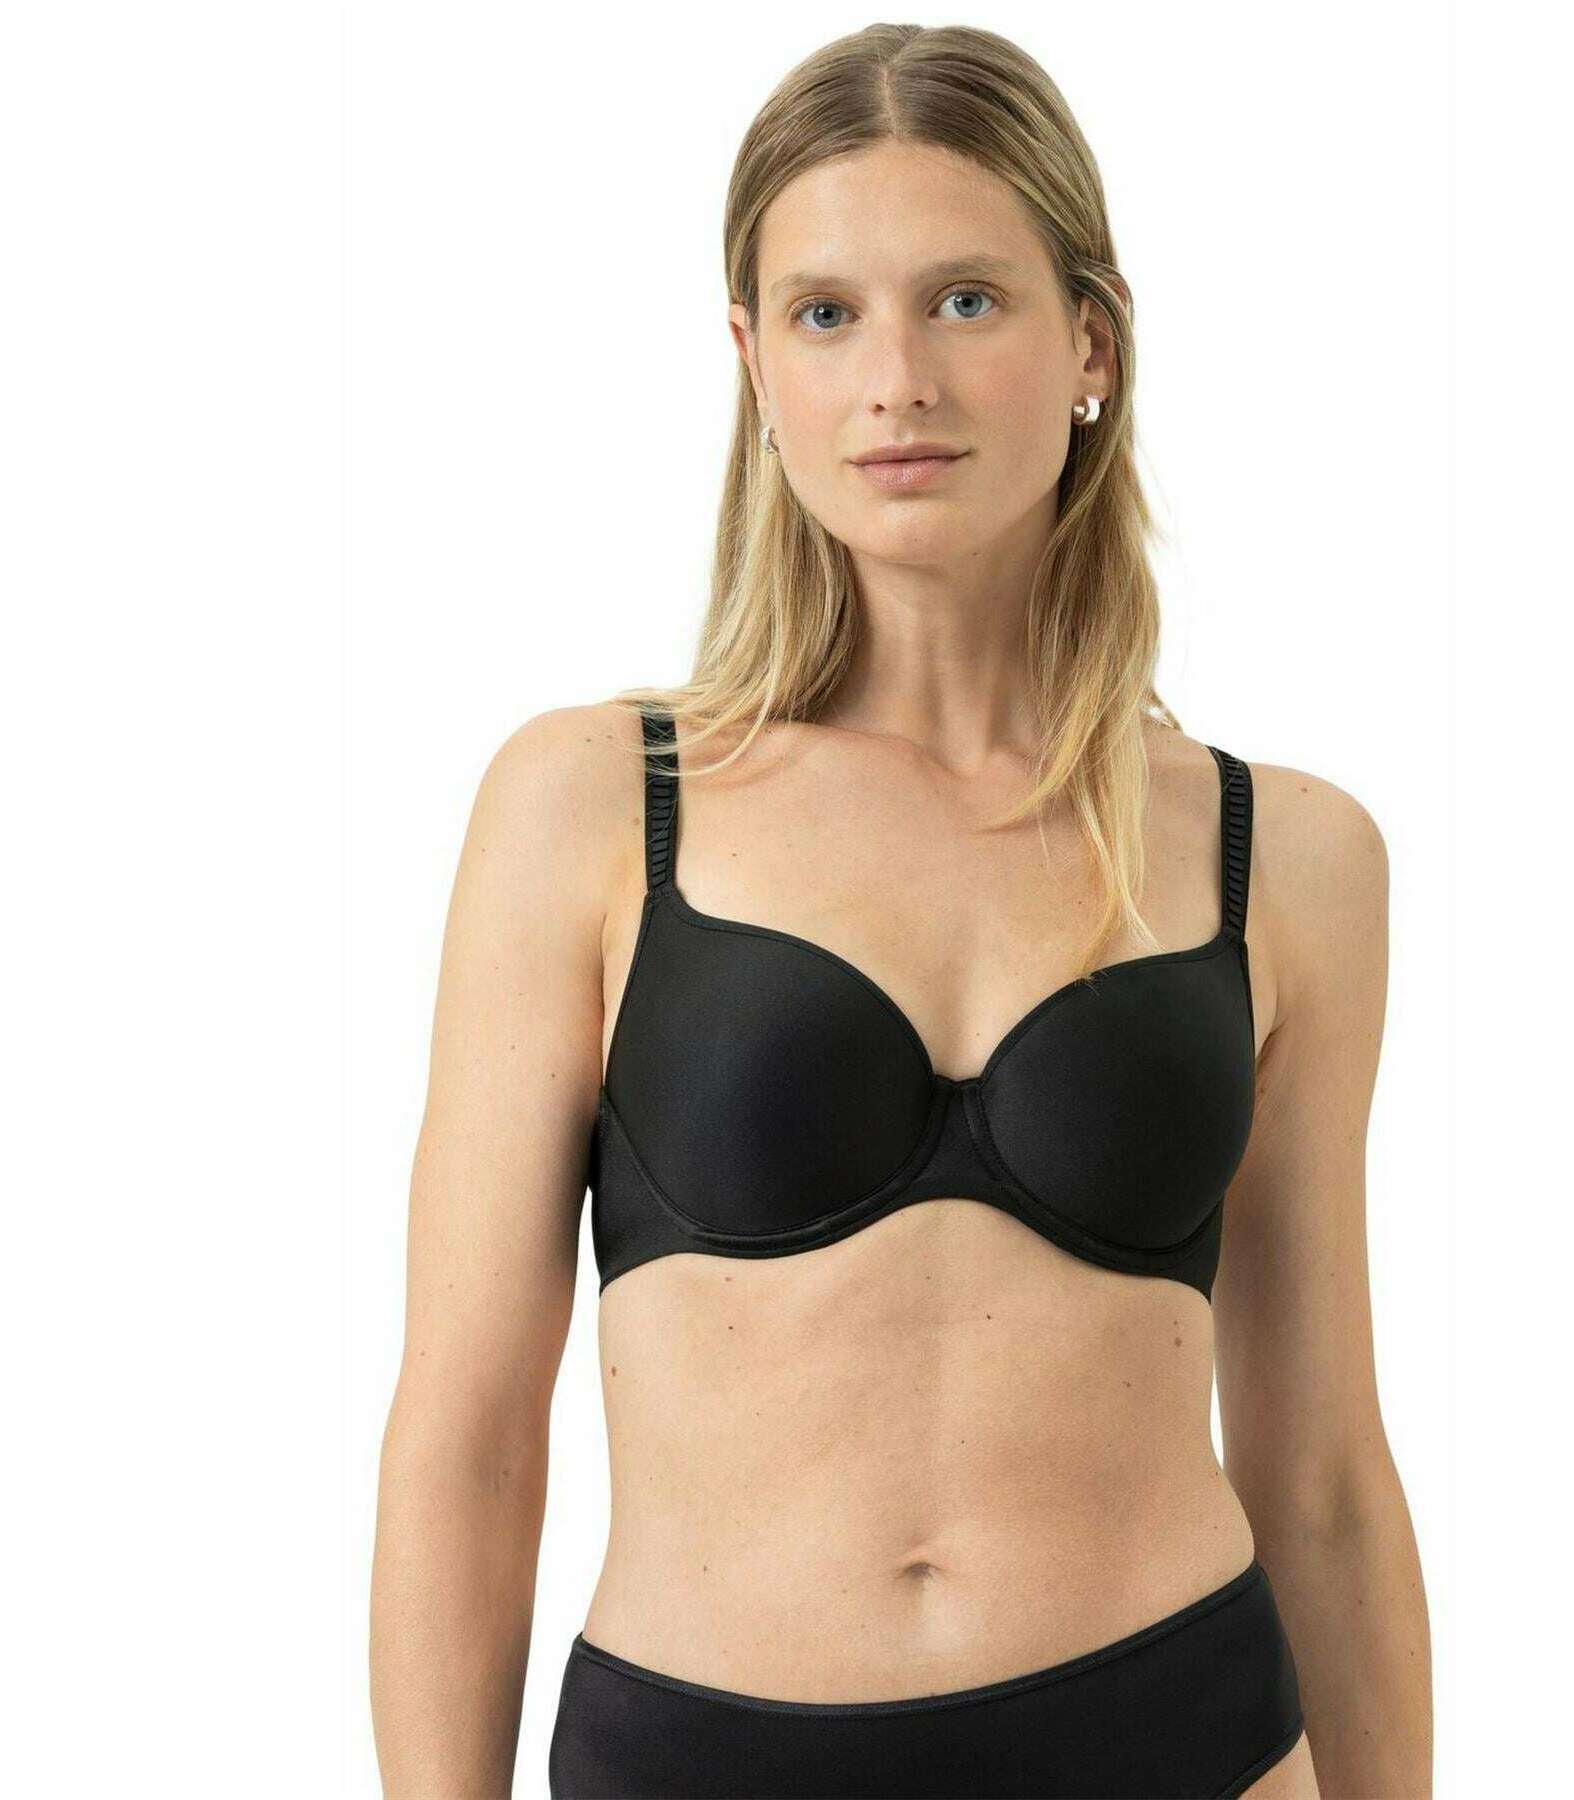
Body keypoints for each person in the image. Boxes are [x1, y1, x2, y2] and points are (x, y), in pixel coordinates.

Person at [371, 22, 1430, 1799]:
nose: (896, 382)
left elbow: (1322, 1473)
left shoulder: (1288, 855)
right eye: (825, 313)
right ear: (752, 360)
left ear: (1091, 342)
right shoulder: (593, 810)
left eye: (965, 301)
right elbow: (466, 1440)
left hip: (1190, 1748)